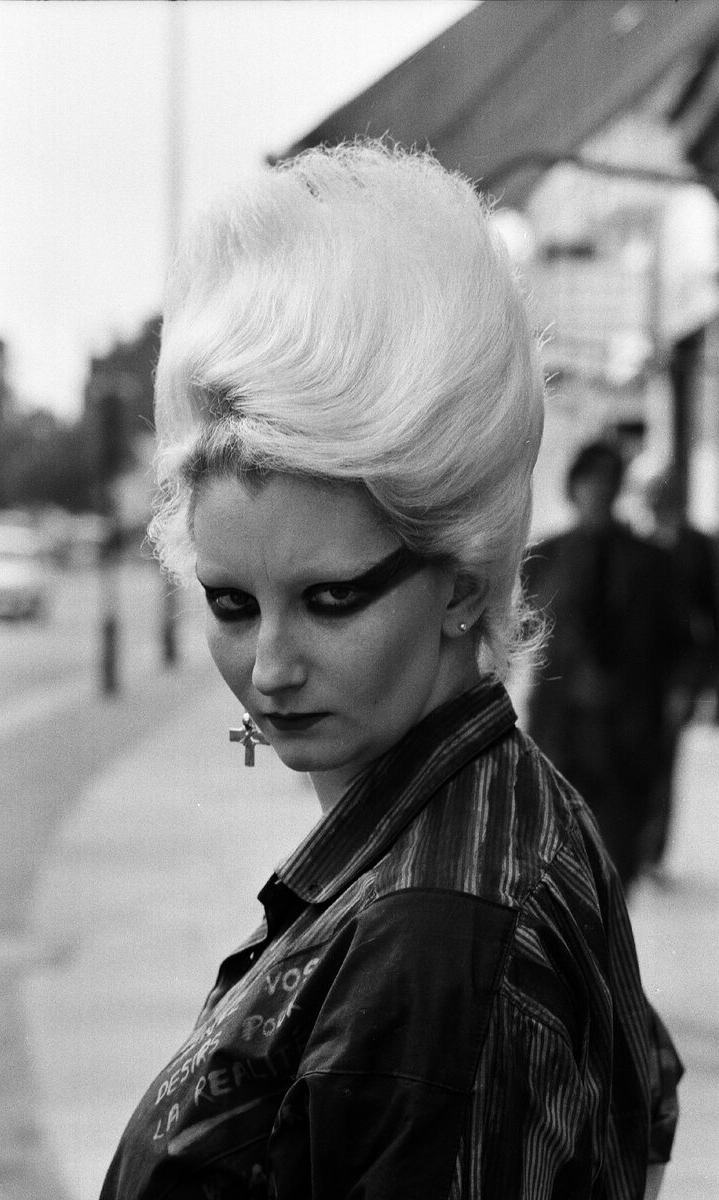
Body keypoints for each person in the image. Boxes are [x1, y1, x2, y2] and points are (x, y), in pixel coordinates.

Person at [100, 143, 681, 1200]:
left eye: (332, 599)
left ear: (460, 584)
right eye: (232, 603)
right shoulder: (492, 822)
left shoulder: (438, 941)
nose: (270, 669)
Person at [523, 441, 692, 893]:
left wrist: (678, 695)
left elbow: (680, 641)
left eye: (608, 482)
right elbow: (520, 638)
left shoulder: (652, 563)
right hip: (562, 730)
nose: (598, 492)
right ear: (573, 488)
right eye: (589, 482)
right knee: (556, 862)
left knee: (617, 866)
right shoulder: (543, 560)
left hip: (627, 732)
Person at [641, 467, 719, 873]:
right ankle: (637, 843)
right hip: (642, 670)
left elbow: (713, 615)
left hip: (679, 670)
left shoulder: (698, 546)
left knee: (666, 756)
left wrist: (708, 680)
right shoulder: (639, 543)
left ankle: (653, 849)